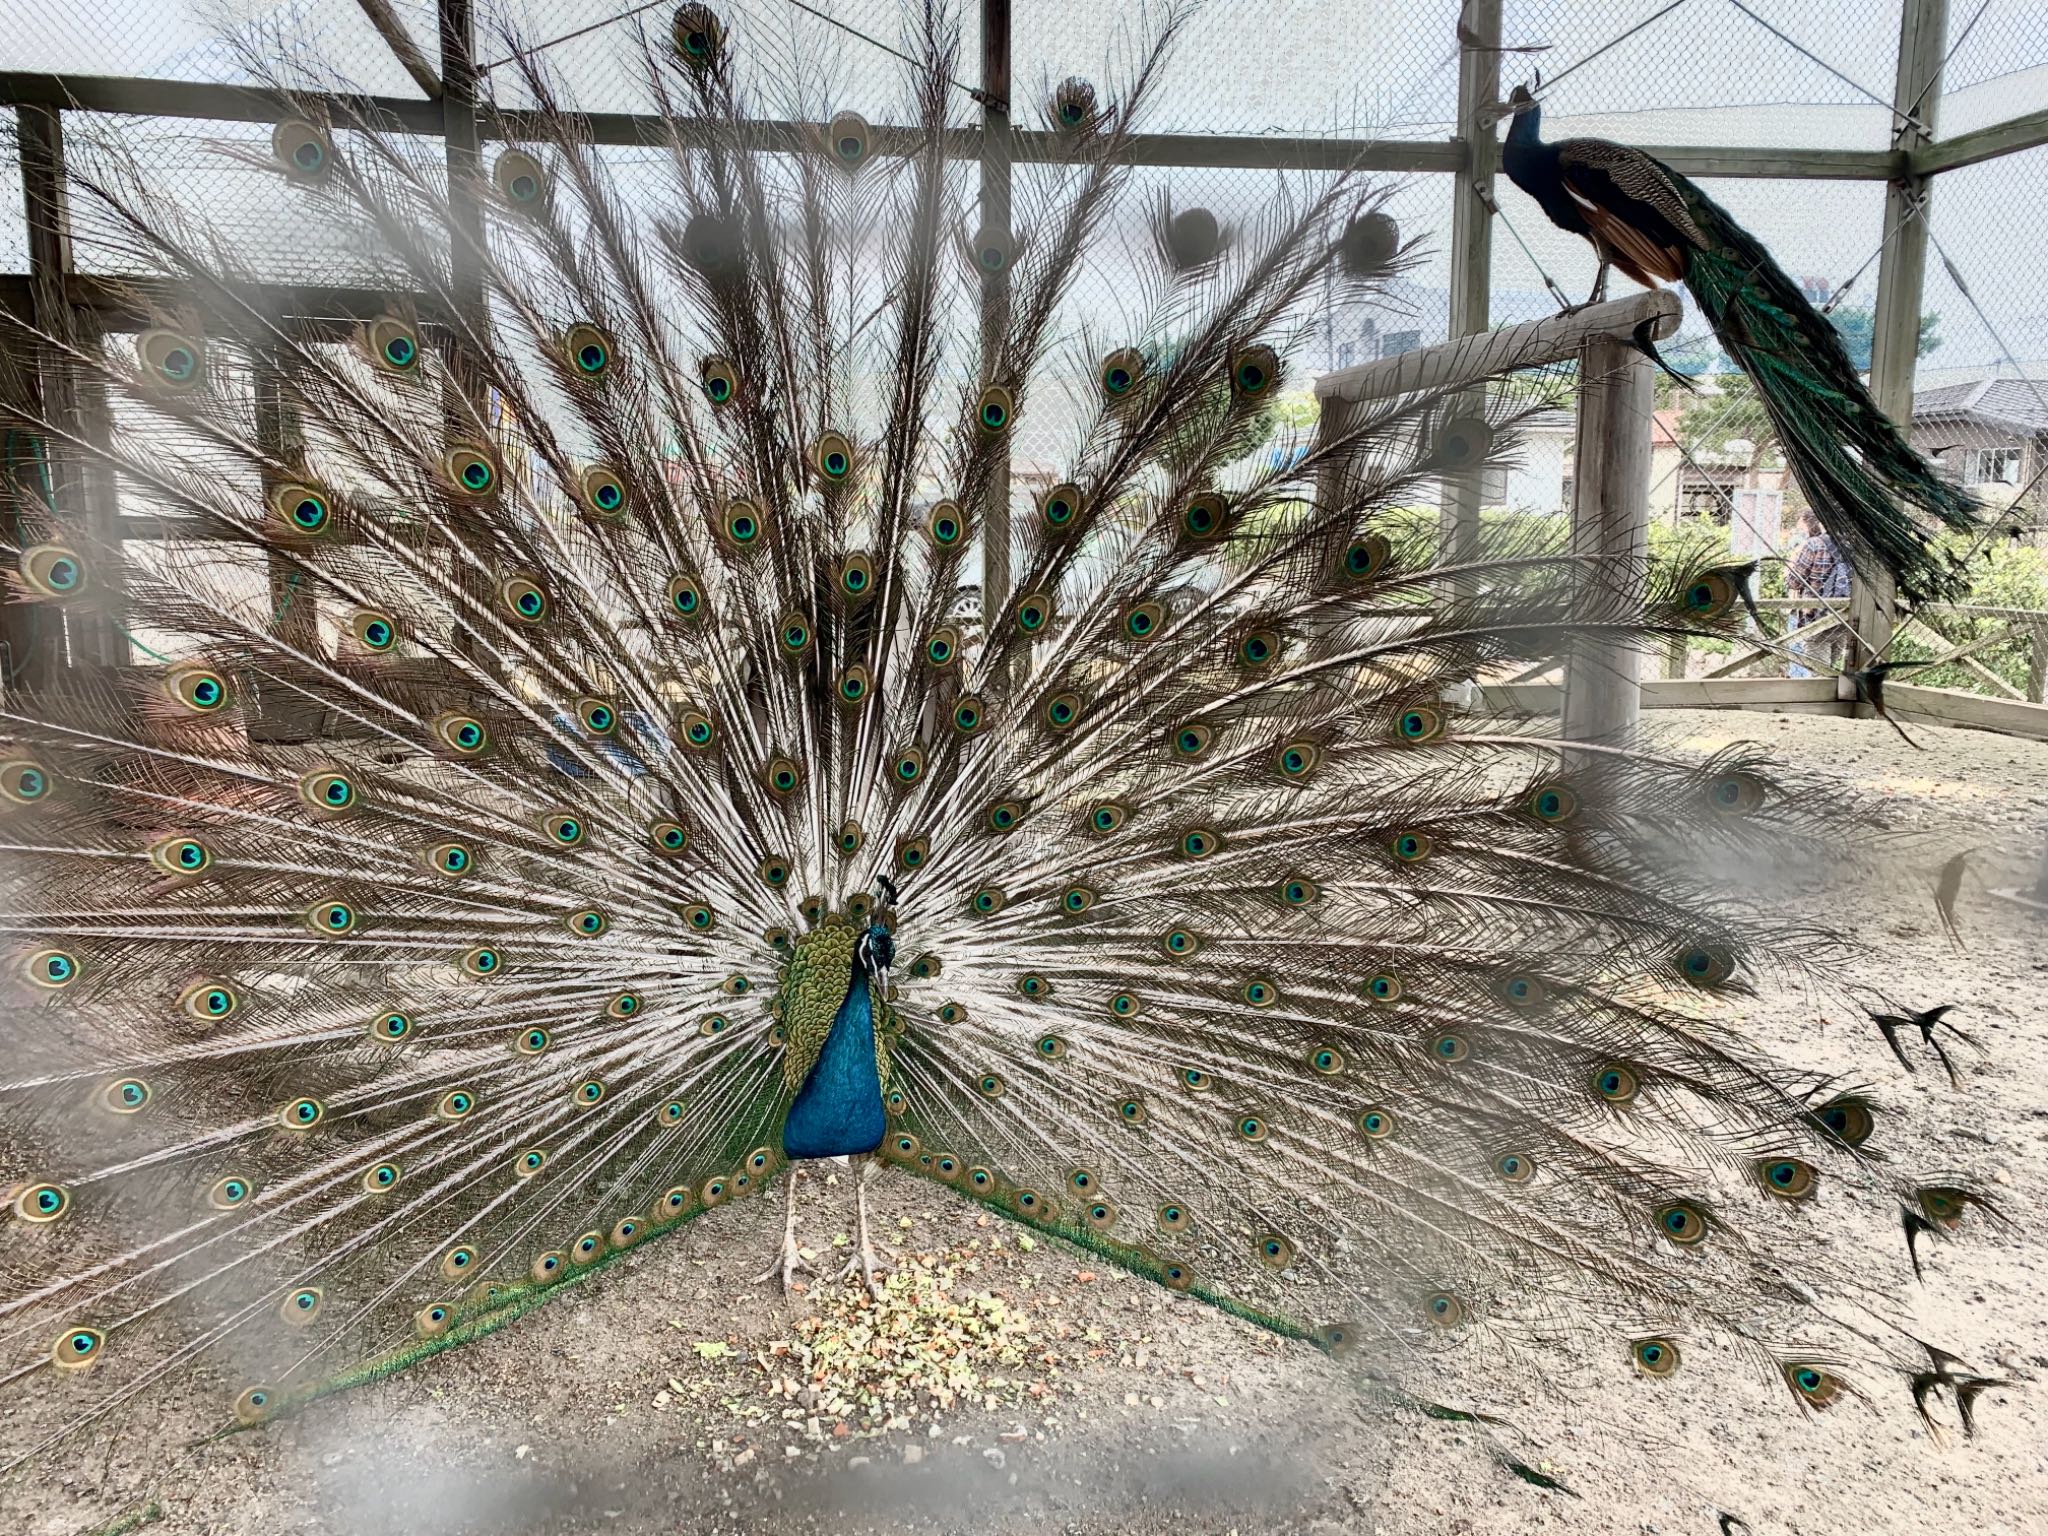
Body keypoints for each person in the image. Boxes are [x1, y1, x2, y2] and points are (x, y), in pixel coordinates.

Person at [1784, 509, 1849, 677]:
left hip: (1816, 614)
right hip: (1845, 615)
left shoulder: (1814, 544)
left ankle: (1818, 698)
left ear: (1823, 522)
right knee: (1832, 667)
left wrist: (1788, 570)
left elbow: (1794, 581)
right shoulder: (1853, 548)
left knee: (1819, 672)